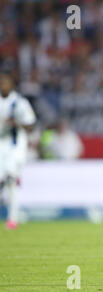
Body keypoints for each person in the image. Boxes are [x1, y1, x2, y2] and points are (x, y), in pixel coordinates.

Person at [0, 71, 36, 229]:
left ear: (11, 84)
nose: (2, 85)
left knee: (10, 178)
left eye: (5, 82)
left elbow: (31, 125)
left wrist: (15, 122)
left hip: (15, 147)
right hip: (1, 146)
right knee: (7, 181)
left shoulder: (20, 103)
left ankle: (12, 219)